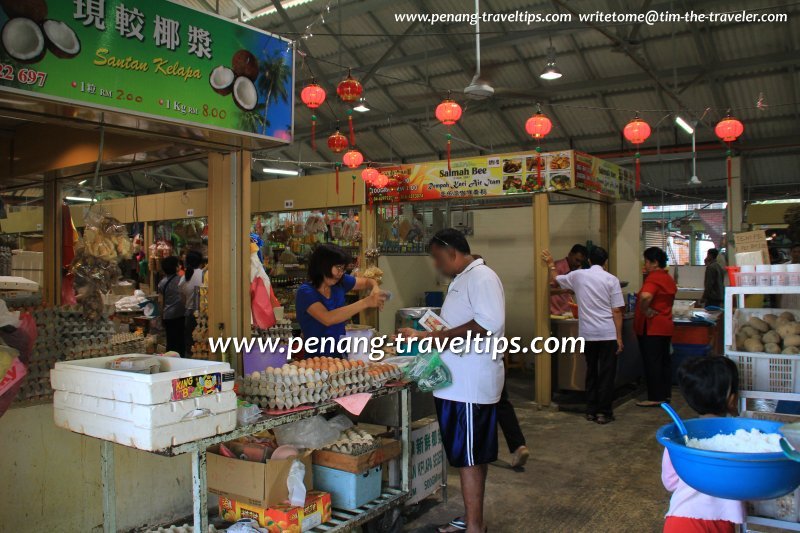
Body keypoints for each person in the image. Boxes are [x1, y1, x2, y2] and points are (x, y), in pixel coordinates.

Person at [398, 229, 505, 533]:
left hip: (470, 386)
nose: (436, 265)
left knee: (470, 459)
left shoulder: (481, 277)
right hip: (457, 384)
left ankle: (474, 527)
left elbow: (488, 322)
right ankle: (473, 520)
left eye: (436, 257)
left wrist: (435, 337)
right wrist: (427, 337)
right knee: (469, 456)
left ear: (451, 252)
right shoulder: (462, 279)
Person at [543, 246, 624, 424]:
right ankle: (604, 412)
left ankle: (591, 410)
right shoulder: (611, 279)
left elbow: (555, 279)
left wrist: (550, 264)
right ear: (605, 262)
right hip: (607, 334)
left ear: (589, 260)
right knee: (606, 374)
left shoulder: (578, 275)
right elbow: (617, 311)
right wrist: (619, 337)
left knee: (591, 371)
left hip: (588, 334)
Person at [662, 357, 743, 532]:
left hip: (681, 520)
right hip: (722, 521)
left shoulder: (678, 438)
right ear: (732, 399)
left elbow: (670, 482)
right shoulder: (742, 439)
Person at [472, 254, 529, 469]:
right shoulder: (493, 287)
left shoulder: (475, 290)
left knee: (480, 407)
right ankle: (518, 446)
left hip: (477, 362)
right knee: (502, 402)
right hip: (494, 358)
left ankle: (482, 451)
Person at [295, 244, 385, 357]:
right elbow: (328, 318)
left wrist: (375, 287)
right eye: (338, 267)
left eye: (343, 269)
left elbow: (368, 282)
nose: (340, 272)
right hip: (316, 360)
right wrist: (366, 302)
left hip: (341, 356)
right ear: (323, 265)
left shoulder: (340, 282)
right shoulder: (305, 292)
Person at [635, 247, 677, 407]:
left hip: (652, 327)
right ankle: (664, 395)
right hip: (665, 325)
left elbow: (646, 296)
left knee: (652, 362)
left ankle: (655, 397)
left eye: (646, 261)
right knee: (663, 361)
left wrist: (645, 309)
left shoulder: (654, 278)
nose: (644, 264)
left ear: (654, 263)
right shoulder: (667, 278)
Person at [158, 256, 185, 357]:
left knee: (171, 341)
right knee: (181, 341)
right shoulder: (182, 279)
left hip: (168, 315)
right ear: (175, 267)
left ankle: (170, 361)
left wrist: (161, 316)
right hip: (180, 313)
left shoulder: (162, 283)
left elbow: (161, 302)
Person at [549, 244, 588, 316]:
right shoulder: (557, 267)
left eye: (581, 262)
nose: (578, 264)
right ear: (570, 254)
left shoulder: (573, 271)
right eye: (577, 260)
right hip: (554, 314)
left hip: (565, 314)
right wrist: (566, 290)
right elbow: (547, 291)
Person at [179, 250, 204, 358]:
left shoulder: (184, 278)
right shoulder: (204, 274)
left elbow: (182, 298)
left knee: (190, 345)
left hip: (189, 313)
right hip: (203, 313)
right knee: (202, 344)